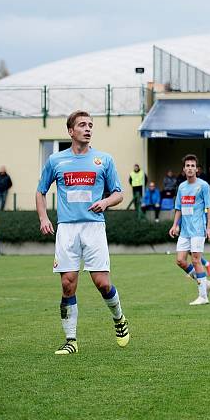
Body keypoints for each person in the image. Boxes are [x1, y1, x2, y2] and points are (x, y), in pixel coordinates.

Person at [35, 110, 129, 355]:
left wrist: (106, 202)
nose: (87, 129)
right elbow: (40, 191)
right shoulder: (56, 161)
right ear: (70, 131)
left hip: (94, 228)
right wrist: (44, 217)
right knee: (68, 285)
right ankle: (71, 340)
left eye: (90, 125)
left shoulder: (104, 160)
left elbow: (119, 193)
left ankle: (119, 319)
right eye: (82, 125)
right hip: (67, 229)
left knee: (102, 283)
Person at [169, 154, 210, 305]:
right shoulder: (181, 187)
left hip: (198, 229)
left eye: (192, 166)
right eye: (187, 166)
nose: (190, 168)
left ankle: (203, 297)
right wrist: (175, 225)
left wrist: (209, 227)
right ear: (184, 169)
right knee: (180, 260)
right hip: (185, 231)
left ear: (197, 169)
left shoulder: (203, 186)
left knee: (196, 260)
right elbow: (178, 208)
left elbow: (209, 207)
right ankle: (205, 283)